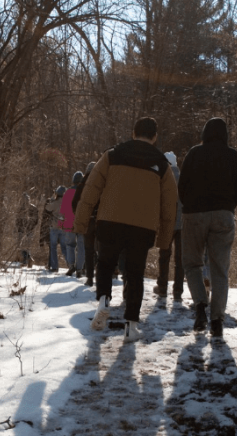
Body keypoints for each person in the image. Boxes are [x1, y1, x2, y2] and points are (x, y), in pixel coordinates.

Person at [74, 117, 178, 342]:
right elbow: (170, 205)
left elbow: (91, 189)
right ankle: (131, 325)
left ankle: (103, 302)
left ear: (133, 133)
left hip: (110, 221)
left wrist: (81, 222)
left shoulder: (112, 155)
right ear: (155, 137)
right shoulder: (162, 165)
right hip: (143, 227)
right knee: (135, 273)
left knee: (105, 264)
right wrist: (164, 239)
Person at [178, 117, 237, 337]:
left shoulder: (194, 153)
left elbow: (183, 185)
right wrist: (227, 207)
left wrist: (190, 206)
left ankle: (200, 306)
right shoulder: (235, 157)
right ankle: (217, 319)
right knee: (219, 269)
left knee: (192, 263)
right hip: (223, 215)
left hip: (194, 214)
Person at [153, 151, 184, 301]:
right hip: (183, 224)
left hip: (167, 222)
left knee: (164, 256)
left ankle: (163, 287)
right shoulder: (185, 178)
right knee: (180, 259)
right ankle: (178, 291)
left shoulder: (162, 178)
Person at [72, 161, 99, 285]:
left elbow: (74, 203)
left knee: (88, 248)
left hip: (87, 221)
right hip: (100, 220)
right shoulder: (102, 182)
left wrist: (80, 216)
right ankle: (102, 273)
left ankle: (89, 277)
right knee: (100, 248)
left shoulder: (82, 184)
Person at [59, 171, 86, 277]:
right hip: (82, 223)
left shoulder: (68, 192)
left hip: (69, 223)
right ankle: (79, 269)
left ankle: (71, 266)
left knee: (70, 245)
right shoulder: (85, 192)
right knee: (81, 246)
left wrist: (60, 222)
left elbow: (63, 209)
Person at [45, 186, 67, 272]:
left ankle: (54, 267)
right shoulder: (67, 203)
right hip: (64, 227)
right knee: (64, 248)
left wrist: (52, 198)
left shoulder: (55, 203)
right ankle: (71, 265)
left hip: (54, 227)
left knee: (53, 247)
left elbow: (47, 208)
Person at [16, 192, 38, 267]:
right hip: (30, 230)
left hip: (21, 230)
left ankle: (26, 260)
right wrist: (32, 227)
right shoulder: (34, 208)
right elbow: (36, 220)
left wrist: (18, 227)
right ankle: (29, 258)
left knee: (21, 246)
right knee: (28, 246)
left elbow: (17, 220)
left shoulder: (20, 208)